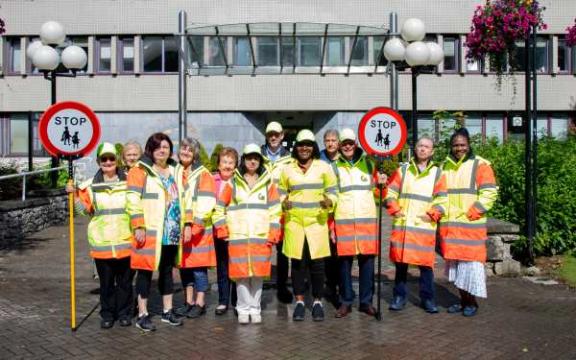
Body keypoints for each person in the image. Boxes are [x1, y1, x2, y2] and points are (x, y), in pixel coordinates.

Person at [127, 132, 190, 331]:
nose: (162, 150)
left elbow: (185, 199)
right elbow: (132, 199)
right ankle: (143, 314)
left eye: (166, 146)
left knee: (167, 272)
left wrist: (187, 223)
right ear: (151, 149)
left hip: (171, 231)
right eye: (158, 147)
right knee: (145, 272)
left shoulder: (176, 171)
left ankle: (167, 311)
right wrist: (138, 225)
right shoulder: (140, 170)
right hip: (149, 232)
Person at [66, 142, 133, 329]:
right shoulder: (89, 186)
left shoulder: (129, 182)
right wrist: (74, 196)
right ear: (98, 161)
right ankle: (107, 315)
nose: (108, 162)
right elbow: (81, 212)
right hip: (102, 244)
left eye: (111, 158)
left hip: (125, 241)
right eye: (104, 159)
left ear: (117, 160)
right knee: (106, 284)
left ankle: (124, 313)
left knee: (125, 283)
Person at [213, 144, 282, 324]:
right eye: (249, 157)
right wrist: (223, 230)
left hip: (260, 238)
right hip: (239, 238)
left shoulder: (269, 185)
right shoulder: (232, 183)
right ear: (244, 160)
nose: (253, 161)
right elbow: (218, 210)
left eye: (256, 158)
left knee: (258, 276)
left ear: (260, 161)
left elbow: (276, 211)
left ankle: (255, 308)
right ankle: (243, 309)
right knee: (241, 276)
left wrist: (273, 233)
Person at [279, 129, 338, 322]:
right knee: (297, 265)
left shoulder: (323, 167)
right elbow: (279, 191)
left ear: (313, 147)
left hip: (317, 224)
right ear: (296, 147)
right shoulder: (287, 169)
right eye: (301, 144)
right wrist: (282, 202)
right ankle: (300, 302)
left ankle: (318, 302)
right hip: (294, 224)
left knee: (317, 266)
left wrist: (330, 202)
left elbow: (333, 191)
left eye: (308, 144)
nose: (304, 148)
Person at [439, 128, 498, 317]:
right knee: (457, 269)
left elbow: (489, 192)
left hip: (470, 227)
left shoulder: (480, 165)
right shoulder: (444, 167)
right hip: (451, 227)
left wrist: (475, 211)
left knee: (471, 269)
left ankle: (471, 302)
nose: (459, 148)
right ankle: (462, 301)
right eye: (455, 145)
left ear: (469, 145)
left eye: (462, 145)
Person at [385, 136, 447, 314]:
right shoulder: (403, 170)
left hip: (423, 228)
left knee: (426, 267)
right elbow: (390, 192)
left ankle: (428, 299)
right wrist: (395, 209)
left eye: (427, 147)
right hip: (404, 226)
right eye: (420, 145)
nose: (423, 149)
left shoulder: (438, 173)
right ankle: (399, 297)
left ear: (432, 151)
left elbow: (442, 199)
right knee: (401, 265)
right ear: (415, 148)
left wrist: (433, 214)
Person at [331, 128, 387, 318]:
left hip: (366, 224)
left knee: (368, 265)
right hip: (344, 223)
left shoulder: (370, 164)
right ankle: (346, 301)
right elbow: (330, 197)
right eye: (344, 143)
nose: (347, 146)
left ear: (356, 144)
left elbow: (381, 195)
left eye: (350, 143)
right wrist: (331, 226)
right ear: (339, 145)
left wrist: (382, 185)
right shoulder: (333, 167)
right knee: (344, 265)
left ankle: (366, 302)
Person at [175, 137, 217, 319]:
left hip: (198, 230)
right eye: (183, 149)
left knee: (198, 269)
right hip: (180, 230)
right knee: (184, 268)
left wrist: (195, 227)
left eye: (189, 150)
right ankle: (188, 301)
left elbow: (207, 203)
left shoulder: (203, 174)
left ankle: (200, 303)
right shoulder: (175, 172)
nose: (185, 152)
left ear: (195, 155)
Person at [261, 121, 294, 304]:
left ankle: (282, 288)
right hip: (262, 213)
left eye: (277, 134)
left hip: (282, 213)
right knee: (262, 251)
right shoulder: (257, 156)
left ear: (282, 136)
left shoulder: (290, 159)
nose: (273, 137)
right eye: (270, 134)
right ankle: (256, 288)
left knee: (283, 254)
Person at [212, 147, 239, 315]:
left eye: (231, 162)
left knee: (236, 267)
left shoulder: (239, 181)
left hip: (236, 232)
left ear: (236, 165)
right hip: (218, 231)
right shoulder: (211, 180)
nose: (227, 165)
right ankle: (223, 301)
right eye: (224, 162)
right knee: (222, 268)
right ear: (218, 164)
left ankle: (237, 302)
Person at [319, 129, 341, 306]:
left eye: (334, 140)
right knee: (328, 252)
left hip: (343, 211)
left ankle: (342, 285)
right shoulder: (319, 159)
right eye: (328, 140)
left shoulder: (345, 160)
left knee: (342, 251)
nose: (331, 143)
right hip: (325, 211)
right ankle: (330, 286)